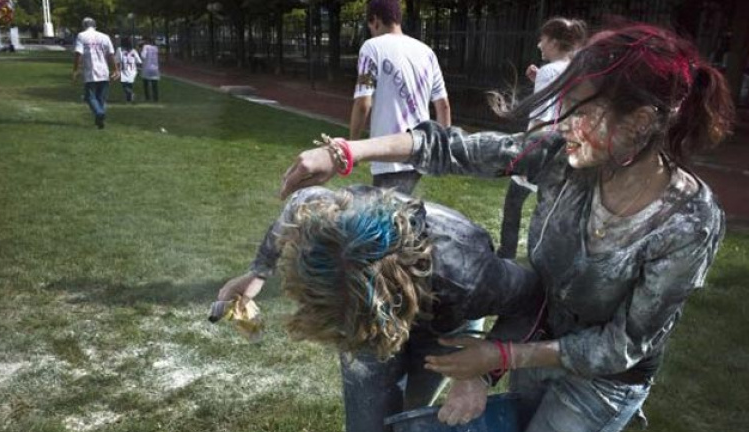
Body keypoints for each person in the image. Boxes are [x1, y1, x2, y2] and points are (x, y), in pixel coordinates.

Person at [280, 22, 734, 432]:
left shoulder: (688, 222)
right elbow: (456, 149)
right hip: (537, 342)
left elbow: (624, 344)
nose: (565, 126)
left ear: (640, 122)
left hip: (603, 383)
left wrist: (500, 357)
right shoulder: (563, 157)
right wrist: (346, 152)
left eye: (581, 113)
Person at [216, 184, 542, 432]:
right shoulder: (320, 218)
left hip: (447, 318)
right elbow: (296, 204)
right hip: (382, 301)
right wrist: (258, 272)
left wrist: (483, 372)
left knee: (409, 413)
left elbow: (534, 298)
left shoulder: (467, 275)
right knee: (369, 422)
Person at [499, 17, 587, 259]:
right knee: (549, 210)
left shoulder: (549, 72)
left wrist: (528, 155)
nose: (539, 45)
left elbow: (541, 118)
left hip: (544, 147)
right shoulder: (576, 70)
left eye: (543, 39)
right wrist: (539, 79)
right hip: (567, 149)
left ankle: (506, 256)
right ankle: (546, 260)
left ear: (555, 42)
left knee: (513, 204)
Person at [349, 0, 452, 194]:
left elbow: (363, 103)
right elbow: (443, 106)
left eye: (370, 25)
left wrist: (353, 147)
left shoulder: (370, 48)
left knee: (386, 211)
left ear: (375, 20)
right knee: (401, 206)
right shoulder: (427, 52)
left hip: (390, 153)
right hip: (421, 150)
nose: (371, 31)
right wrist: (443, 152)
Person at [72, 17, 119, 129]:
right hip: (104, 71)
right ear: (95, 25)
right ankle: (99, 121)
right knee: (101, 98)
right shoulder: (105, 37)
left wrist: (76, 70)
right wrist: (115, 69)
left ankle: (99, 113)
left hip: (90, 70)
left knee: (90, 97)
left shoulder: (82, 36)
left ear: (84, 26)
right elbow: (111, 55)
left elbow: (78, 54)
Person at [115, 37, 142, 103]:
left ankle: (131, 94)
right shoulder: (133, 51)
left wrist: (117, 69)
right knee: (129, 85)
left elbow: (116, 60)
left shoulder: (120, 50)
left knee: (124, 85)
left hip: (124, 70)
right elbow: (139, 61)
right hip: (133, 70)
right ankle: (129, 99)